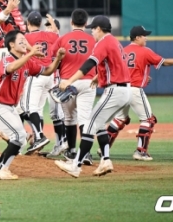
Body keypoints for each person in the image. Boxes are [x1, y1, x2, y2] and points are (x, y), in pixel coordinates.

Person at [54, 15, 131, 178]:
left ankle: (76, 165)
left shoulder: (103, 42)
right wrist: (98, 77)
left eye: (93, 29)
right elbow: (116, 64)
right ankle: (106, 160)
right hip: (123, 89)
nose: (92, 33)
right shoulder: (115, 41)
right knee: (100, 125)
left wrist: (69, 81)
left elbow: (89, 64)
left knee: (88, 125)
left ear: (98, 29)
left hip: (115, 90)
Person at [0, 30, 65, 180]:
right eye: (21, 40)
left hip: (9, 106)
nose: (24, 43)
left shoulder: (27, 62)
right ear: (11, 44)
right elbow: (11, 68)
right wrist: (30, 53)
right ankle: (2, 170)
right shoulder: (7, 58)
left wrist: (58, 58)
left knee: (19, 138)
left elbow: (47, 71)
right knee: (19, 136)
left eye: (24, 40)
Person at [105, 26, 173, 161]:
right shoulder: (144, 51)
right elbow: (165, 63)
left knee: (119, 119)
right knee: (148, 120)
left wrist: (142, 76)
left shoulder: (123, 51)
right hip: (134, 90)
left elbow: (121, 69)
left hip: (120, 89)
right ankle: (140, 152)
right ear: (137, 38)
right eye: (143, 35)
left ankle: (103, 148)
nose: (146, 38)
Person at [50, 9, 96, 162]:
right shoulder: (93, 40)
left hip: (66, 82)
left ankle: (72, 151)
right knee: (84, 119)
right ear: (86, 23)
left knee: (69, 119)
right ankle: (86, 154)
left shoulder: (63, 39)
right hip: (88, 81)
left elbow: (53, 63)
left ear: (71, 22)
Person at [20, 11, 59, 155]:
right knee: (38, 109)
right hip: (50, 75)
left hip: (36, 73)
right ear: (41, 23)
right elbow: (56, 33)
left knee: (27, 107)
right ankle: (38, 138)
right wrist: (52, 21)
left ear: (28, 24)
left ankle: (39, 137)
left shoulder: (25, 37)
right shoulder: (49, 35)